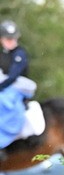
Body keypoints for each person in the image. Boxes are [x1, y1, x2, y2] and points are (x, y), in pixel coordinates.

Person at [0, 20, 33, 158]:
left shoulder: (20, 54)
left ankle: (3, 142)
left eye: (13, 38)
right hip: (4, 87)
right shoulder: (3, 54)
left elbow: (13, 75)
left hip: (16, 90)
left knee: (3, 102)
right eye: (8, 39)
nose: (11, 41)